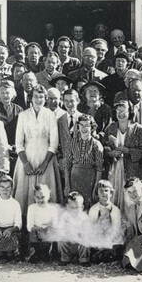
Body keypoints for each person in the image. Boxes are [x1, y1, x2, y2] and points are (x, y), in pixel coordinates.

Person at [13, 85, 62, 213]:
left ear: (45, 99)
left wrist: (45, 163)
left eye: (41, 97)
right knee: (24, 195)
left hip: (45, 158)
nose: (38, 99)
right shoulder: (23, 115)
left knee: (45, 193)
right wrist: (25, 163)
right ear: (31, 97)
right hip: (27, 157)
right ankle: (25, 227)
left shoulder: (50, 115)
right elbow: (18, 143)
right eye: (36, 96)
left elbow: (54, 143)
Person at [104, 101, 142, 209]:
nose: (121, 113)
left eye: (124, 110)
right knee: (114, 197)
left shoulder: (138, 129)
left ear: (130, 112)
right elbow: (104, 149)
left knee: (131, 200)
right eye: (118, 110)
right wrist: (111, 153)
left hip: (132, 170)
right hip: (115, 169)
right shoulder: (110, 128)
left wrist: (128, 150)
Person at [63, 114, 104, 208]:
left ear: (92, 127)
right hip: (74, 179)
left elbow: (99, 168)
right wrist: (67, 184)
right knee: (74, 204)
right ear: (78, 126)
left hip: (89, 178)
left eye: (87, 125)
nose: (84, 128)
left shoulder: (96, 144)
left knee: (87, 205)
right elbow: (67, 165)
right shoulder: (73, 142)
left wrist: (95, 187)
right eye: (81, 125)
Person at [0, 175, 22, 260]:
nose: (5, 190)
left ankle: (10, 253)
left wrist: (11, 229)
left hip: (11, 230)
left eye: (8, 188)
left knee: (11, 250)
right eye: (2, 187)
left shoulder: (15, 204)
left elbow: (18, 223)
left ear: (12, 189)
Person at [87, 180, 124, 263]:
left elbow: (116, 228)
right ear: (98, 193)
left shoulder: (115, 210)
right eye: (101, 191)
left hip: (111, 237)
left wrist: (109, 239)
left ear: (111, 193)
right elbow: (90, 227)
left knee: (116, 249)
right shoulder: (93, 209)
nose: (104, 193)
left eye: (106, 191)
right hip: (98, 237)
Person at [57, 192, 91, 267]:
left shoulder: (84, 217)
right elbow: (60, 228)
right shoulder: (65, 216)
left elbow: (88, 230)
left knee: (86, 240)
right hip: (69, 242)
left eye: (77, 207)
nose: (74, 210)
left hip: (80, 242)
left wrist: (82, 233)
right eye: (71, 207)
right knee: (61, 240)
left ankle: (84, 259)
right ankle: (65, 259)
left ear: (82, 207)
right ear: (67, 207)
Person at [26, 184, 59, 263]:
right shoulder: (32, 207)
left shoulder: (53, 208)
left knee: (51, 232)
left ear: (48, 196)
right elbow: (29, 226)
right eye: (37, 197)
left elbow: (55, 224)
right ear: (34, 197)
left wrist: (47, 228)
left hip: (48, 230)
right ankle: (35, 253)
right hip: (36, 231)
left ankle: (47, 253)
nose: (40, 200)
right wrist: (38, 229)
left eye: (43, 197)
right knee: (33, 232)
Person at [56, 89, 83, 172]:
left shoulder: (86, 119)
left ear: (78, 100)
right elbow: (56, 143)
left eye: (72, 100)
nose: (69, 104)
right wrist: (60, 159)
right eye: (66, 101)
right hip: (66, 165)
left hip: (83, 164)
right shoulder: (59, 121)